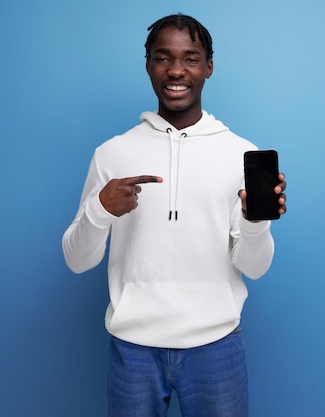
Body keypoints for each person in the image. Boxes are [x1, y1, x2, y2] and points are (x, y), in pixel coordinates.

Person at [62, 13, 287, 417]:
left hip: (216, 345)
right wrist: (99, 210)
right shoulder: (112, 153)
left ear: (209, 67)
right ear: (148, 64)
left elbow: (255, 268)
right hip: (133, 348)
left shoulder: (240, 153)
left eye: (191, 58)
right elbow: (77, 261)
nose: (177, 71)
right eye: (163, 58)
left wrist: (256, 222)